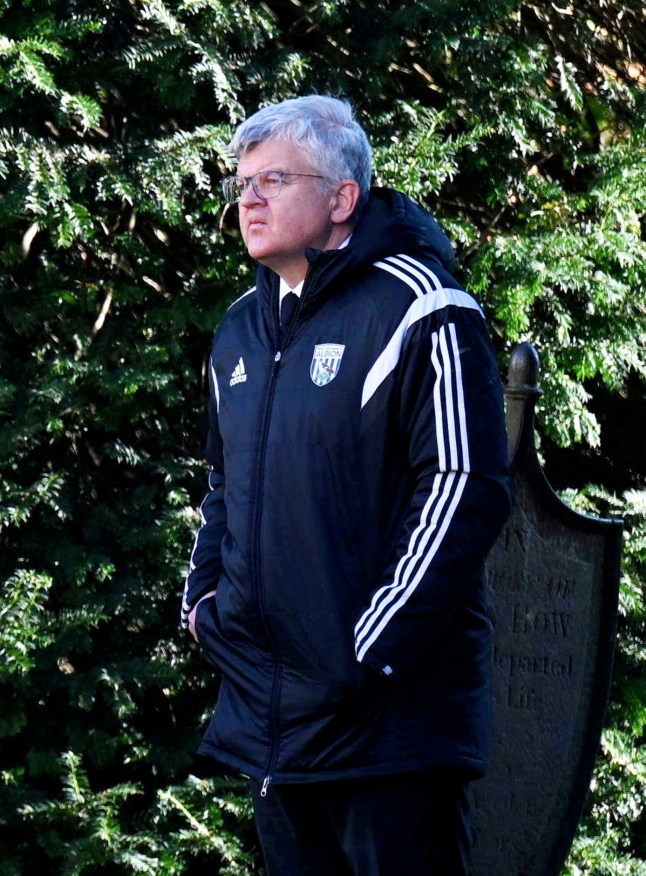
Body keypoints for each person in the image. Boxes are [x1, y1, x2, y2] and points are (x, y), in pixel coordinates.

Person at [181, 94, 511, 876]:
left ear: (341, 199)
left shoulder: (423, 309)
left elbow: (465, 487)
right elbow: (222, 486)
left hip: (391, 736)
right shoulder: (239, 330)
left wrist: (368, 650)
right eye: (241, 184)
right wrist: (202, 605)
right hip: (275, 731)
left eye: (271, 180)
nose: (248, 200)